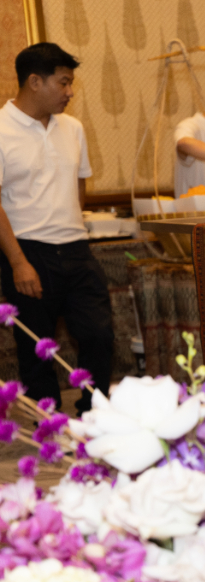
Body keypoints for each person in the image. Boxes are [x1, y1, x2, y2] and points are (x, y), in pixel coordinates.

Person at [0, 43, 112, 414]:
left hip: (77, 248)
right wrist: (18, 262)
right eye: (63, 83)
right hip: (28, 251)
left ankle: (95, 413)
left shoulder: (73, 128)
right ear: (35, 81)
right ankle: (46, 422)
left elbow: (79, 185)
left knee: (98, 334)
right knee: (37, 348)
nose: (70, 92)